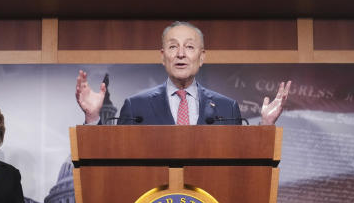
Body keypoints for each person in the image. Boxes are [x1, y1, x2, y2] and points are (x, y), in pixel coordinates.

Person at [75, 20, 291, 126]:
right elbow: (112, 158)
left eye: (189, 47)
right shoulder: (136, 106)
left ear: (202, 56)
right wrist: (93, 117)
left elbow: (244, 161)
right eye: (172, 47)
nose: (180, 54)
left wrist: (265, 125)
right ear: (162, 56)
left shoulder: (227, 108)